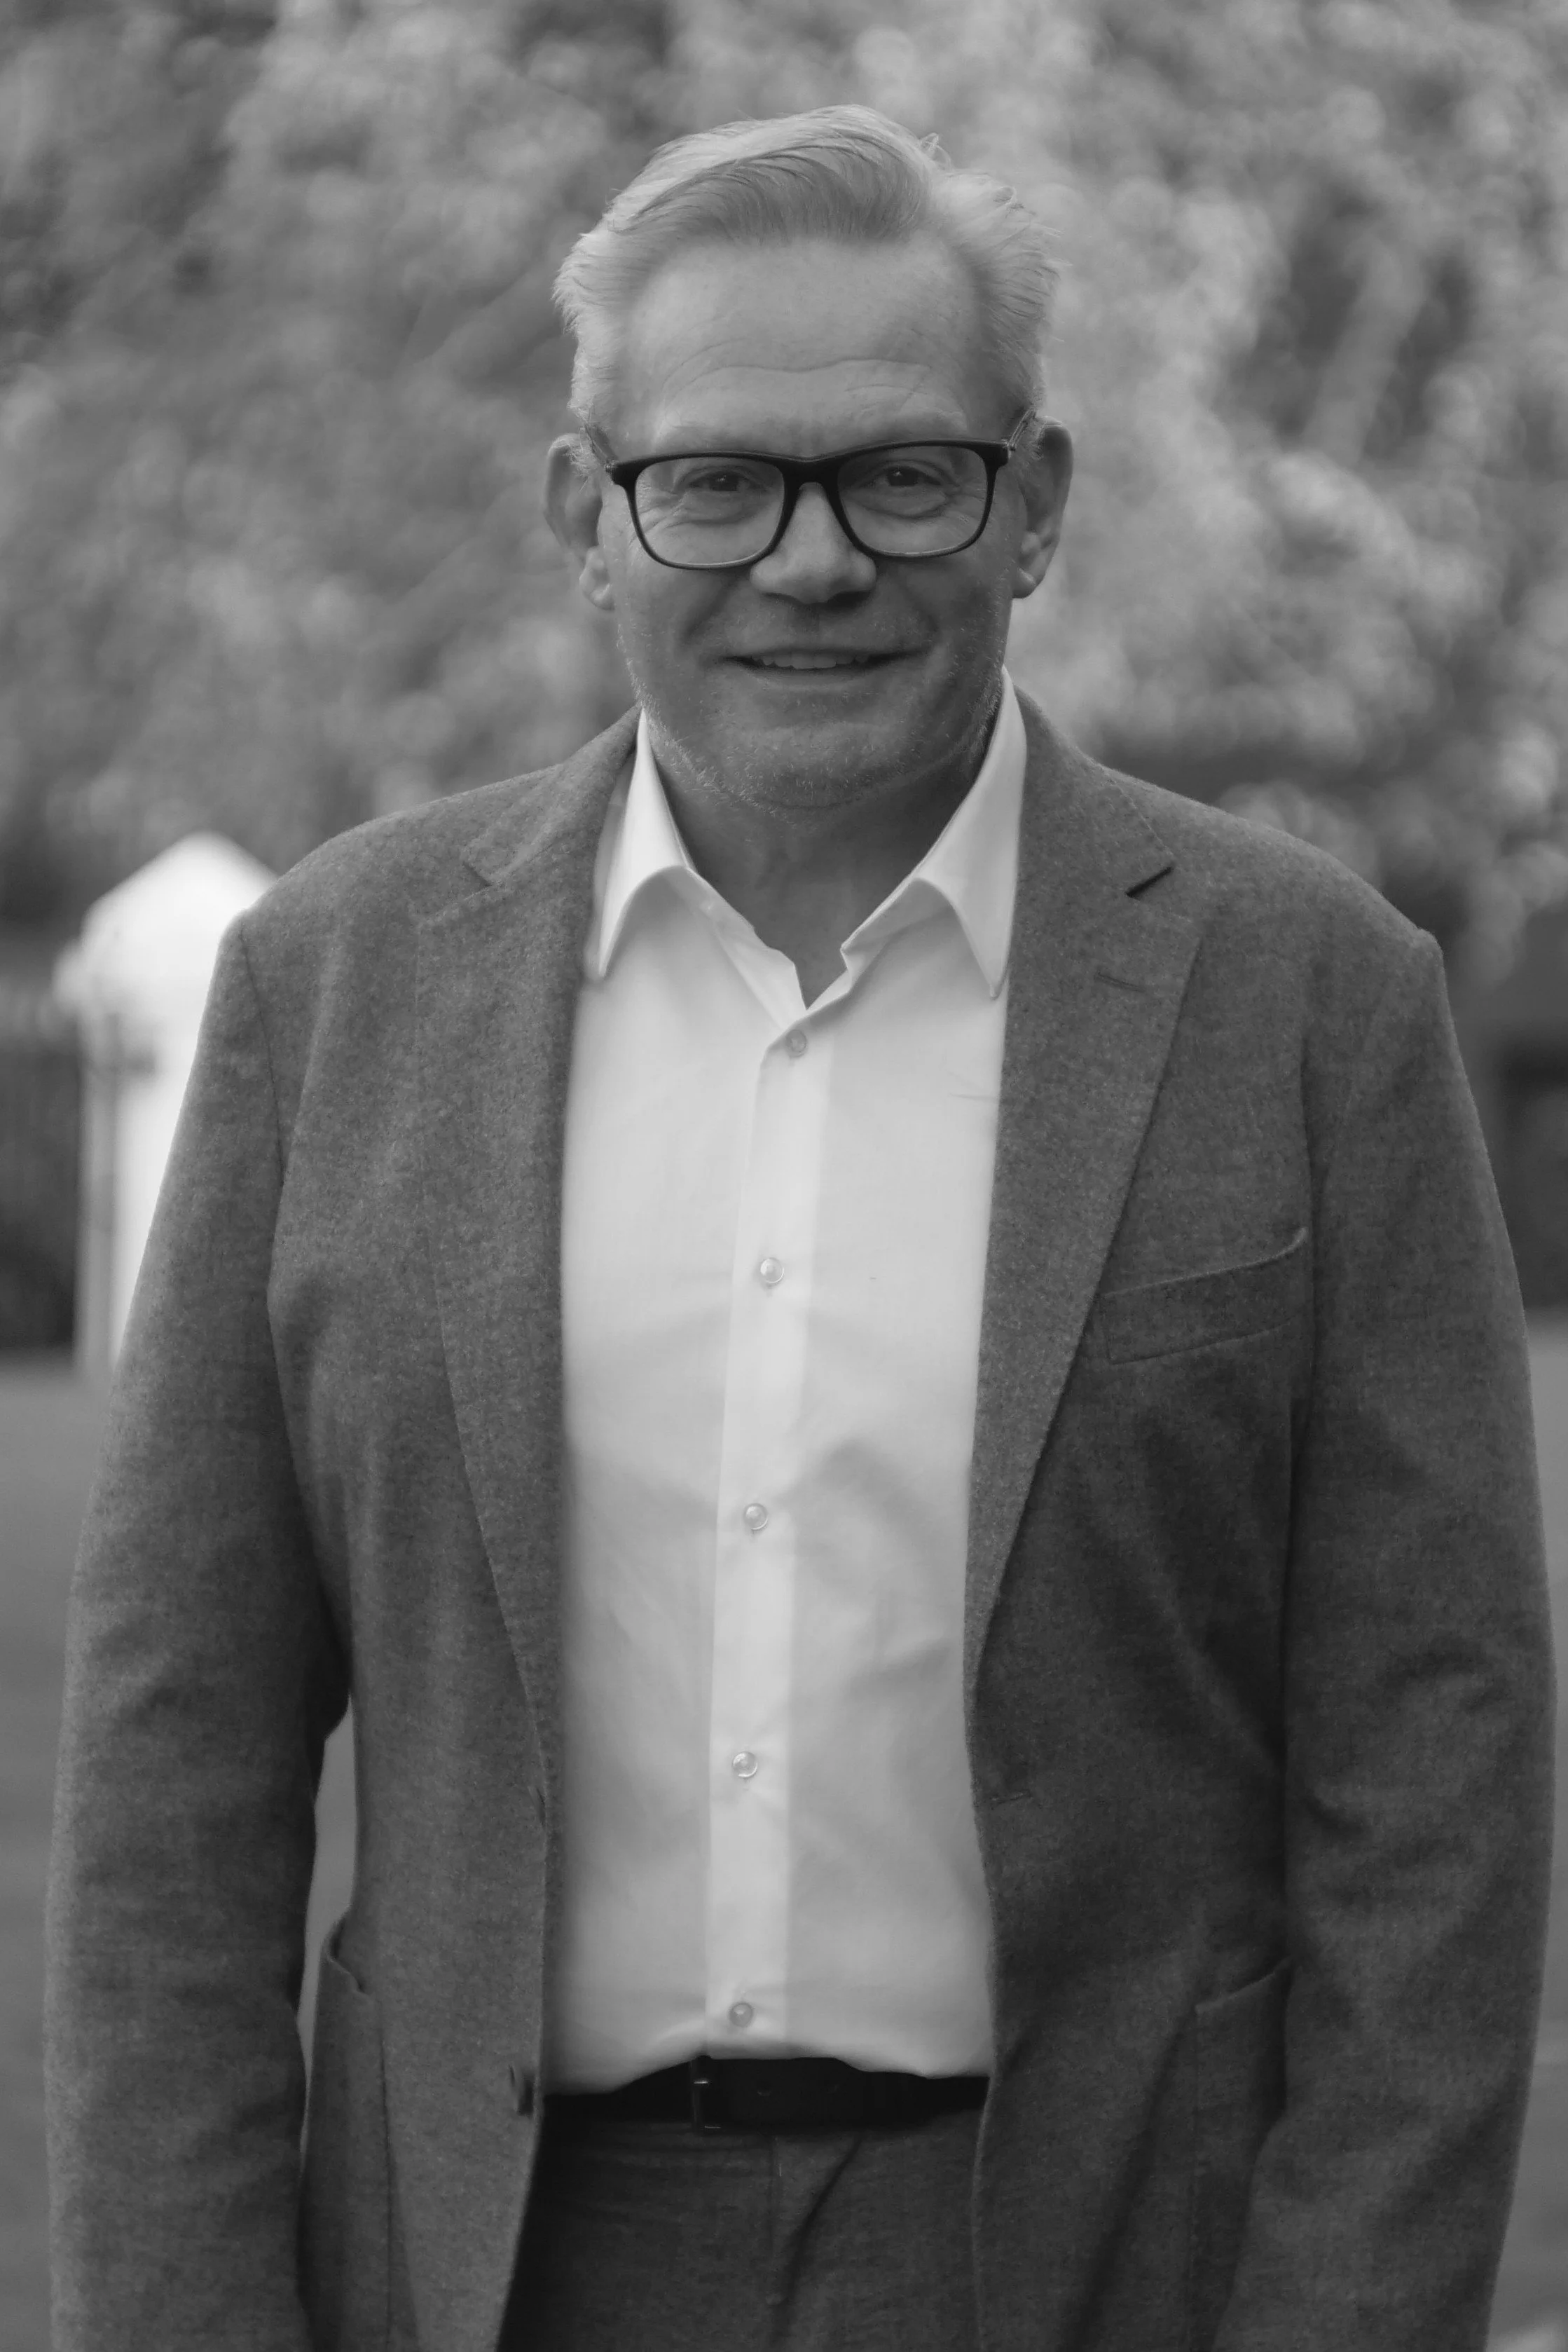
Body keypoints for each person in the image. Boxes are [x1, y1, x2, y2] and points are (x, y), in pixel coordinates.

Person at [46, 104, 1553, 2352]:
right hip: (489, 2265)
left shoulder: (1310, 1000)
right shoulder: (334, 988)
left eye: (902, 475)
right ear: (588, 516)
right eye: (717, 483)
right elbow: (178, 1763)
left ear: (1033, 504)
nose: (812, 560)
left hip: (1094, 2252)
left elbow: (1434, 1764)